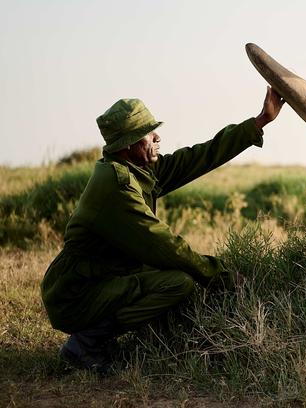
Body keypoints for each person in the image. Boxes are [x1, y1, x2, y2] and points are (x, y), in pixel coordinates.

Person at [41, 88, 284, 373]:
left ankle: (106, 339)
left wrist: (259, 122)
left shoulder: (134, 167)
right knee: (177, 282)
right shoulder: (118, 187)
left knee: (165, 274)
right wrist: (220, 276)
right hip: (75, 295)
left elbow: (199, 157)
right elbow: (166, 245)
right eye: (148, 133)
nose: (157, 138)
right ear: (127, 144)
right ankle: (85, 344)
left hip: (100, 278)